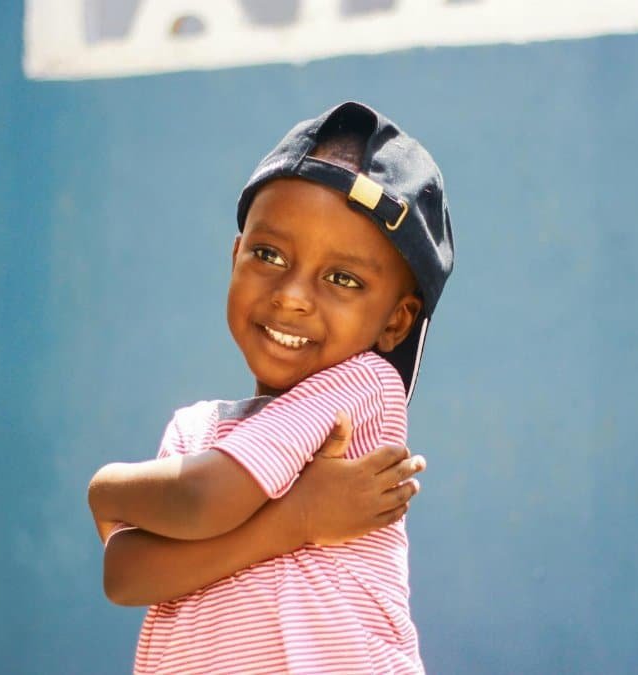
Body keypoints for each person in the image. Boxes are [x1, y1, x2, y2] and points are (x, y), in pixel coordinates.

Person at [87, 101, 455, 673]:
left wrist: (107, 489)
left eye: (342, 278)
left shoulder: (363, 388)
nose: (292, 295)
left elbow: (201, 500)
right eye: (269, 255)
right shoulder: (196, 429)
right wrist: (296, 519)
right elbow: (126, 574)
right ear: (235, 257)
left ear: (396, 322)